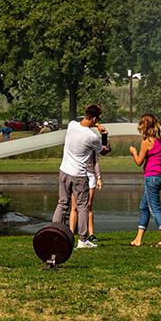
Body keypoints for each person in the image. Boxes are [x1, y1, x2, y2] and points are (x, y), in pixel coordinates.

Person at [51, 104, 105, 248]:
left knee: (62, 203)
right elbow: (105, 151)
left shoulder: (72, 125)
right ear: (94, 118)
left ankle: (53, 232)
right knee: (82, 207)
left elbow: (80, 124)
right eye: (97, 119)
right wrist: (104, 135)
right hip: (79, 176)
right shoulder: (92, 137)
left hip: (64, 171)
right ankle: (82, 239)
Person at [130, 113, 161, 248]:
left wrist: (133, 152)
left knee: (155, 209)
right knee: (144, 206)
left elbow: (138, 162)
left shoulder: (147, 142)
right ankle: (138, 239)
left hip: (152, 177)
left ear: (145, 126)